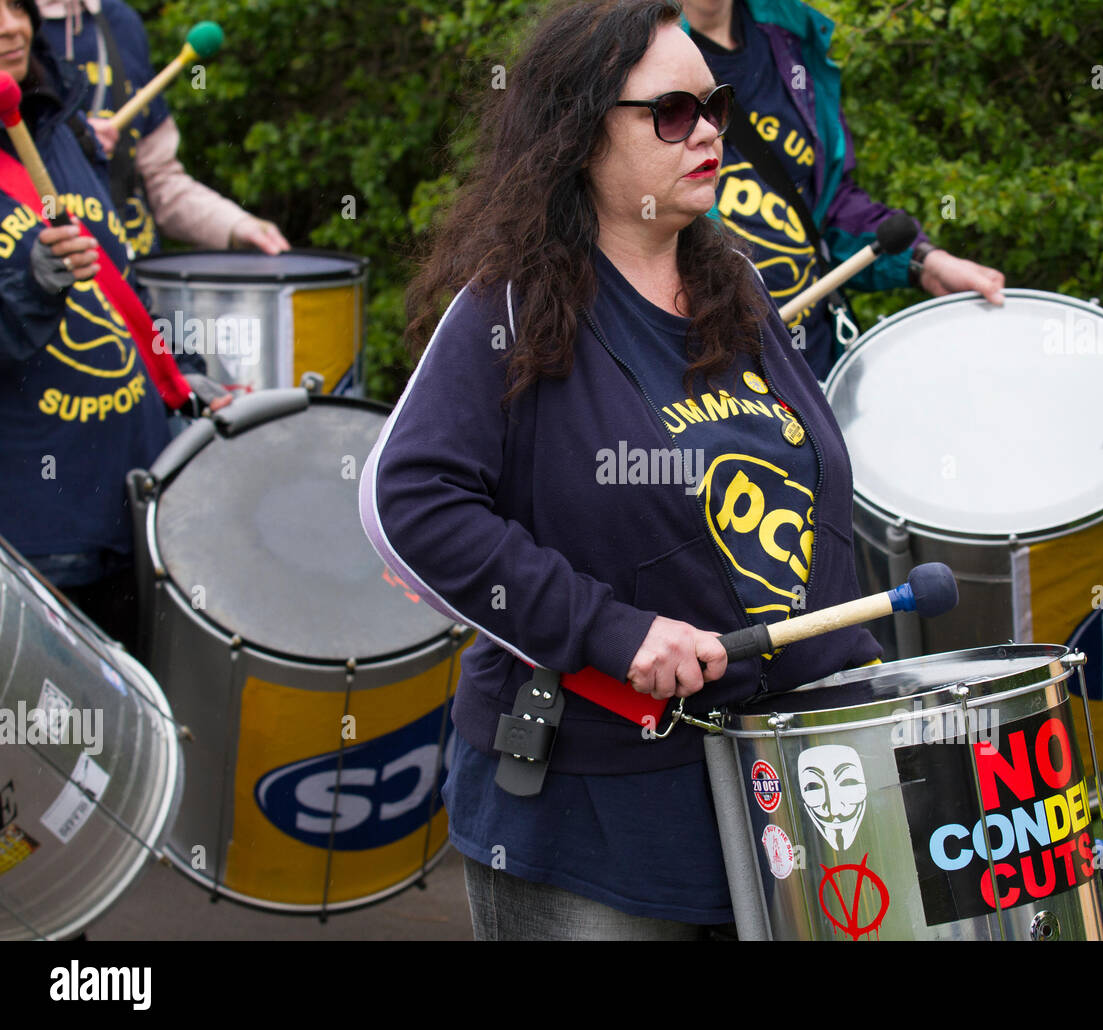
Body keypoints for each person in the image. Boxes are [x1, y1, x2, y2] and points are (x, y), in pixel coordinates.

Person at [359, 0, 883, 940]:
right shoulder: (512, 304)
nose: (709, 132)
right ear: (578, 131)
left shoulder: (739, 290)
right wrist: (611, 631)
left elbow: (816, 498)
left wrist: (854, 692)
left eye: (716, 106)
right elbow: (409, 501)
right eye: (671, 113)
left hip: (773, 798)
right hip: (587, 810)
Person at [0, 0, 212, 650]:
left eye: (15, 5)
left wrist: (186, 381)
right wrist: (30, 285)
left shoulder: (59, 131)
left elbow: (117, 286)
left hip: (132, 501)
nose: (8, 25)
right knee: (61, 743)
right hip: (41, 532)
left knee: (147, 722)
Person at [680, 0, 1005, 378]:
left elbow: (828, 204)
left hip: (814, 364)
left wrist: (923, 262)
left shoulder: (791, 43)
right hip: (715, 375)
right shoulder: (636, 59)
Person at [36, 0, 289, 257]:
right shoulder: (14, 37)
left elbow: (162, 180)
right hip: (45, 275)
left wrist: (235, 225)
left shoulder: (121, 23)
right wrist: (66, 143)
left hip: (132, 271)